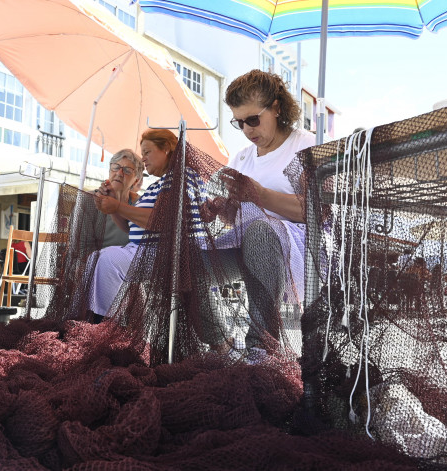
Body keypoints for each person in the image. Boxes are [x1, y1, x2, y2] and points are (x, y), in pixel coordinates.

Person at [217, 69, 319, 352]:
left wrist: (260, 195)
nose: (248, 130)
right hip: (246, 244)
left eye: (253, 119)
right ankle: (217, 342)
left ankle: (261, 344)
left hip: (300, 249)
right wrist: (221, 208)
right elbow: (232, 220)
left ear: (276, 107)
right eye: (239, 123)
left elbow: (317, 212)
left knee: (259, 231)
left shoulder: (304, 145)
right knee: (191, 256)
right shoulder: (240, 158)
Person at [90, 129, 206, 325]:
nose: (143, 159)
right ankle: (103, 323)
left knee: (107, 259)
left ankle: (106, 328)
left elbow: (162, 220)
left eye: (147, 152)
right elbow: (131, 227)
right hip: (145, 250)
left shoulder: (182, 178)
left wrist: (117, 205)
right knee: (97, 258)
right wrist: (113, 202)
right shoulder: (159, 184)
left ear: (167, 149)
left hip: (166, 254)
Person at [98, 149, 144, 249]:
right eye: (116, 167)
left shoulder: (141, 205)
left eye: (127, 170)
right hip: (94, 262)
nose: (119, 173)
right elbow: (81, 247)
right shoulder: (90, 199)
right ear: (109, 171)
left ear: (136, 181)